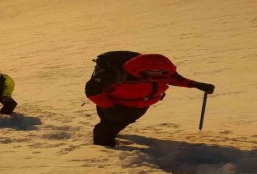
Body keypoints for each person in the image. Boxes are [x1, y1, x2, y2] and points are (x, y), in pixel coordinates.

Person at [85, 52, 215, 147]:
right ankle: (103, 146)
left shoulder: (164, 72)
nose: (160, 74)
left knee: (125, 121)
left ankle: (111, 134)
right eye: (155, 71)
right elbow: (93, 90)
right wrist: (108, 108)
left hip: (142, 104)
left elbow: (175, 79)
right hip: (115, 105)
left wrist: (196, 84)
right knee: (110, 124)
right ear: (140, 68)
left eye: (162, 71)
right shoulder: (114, 74)